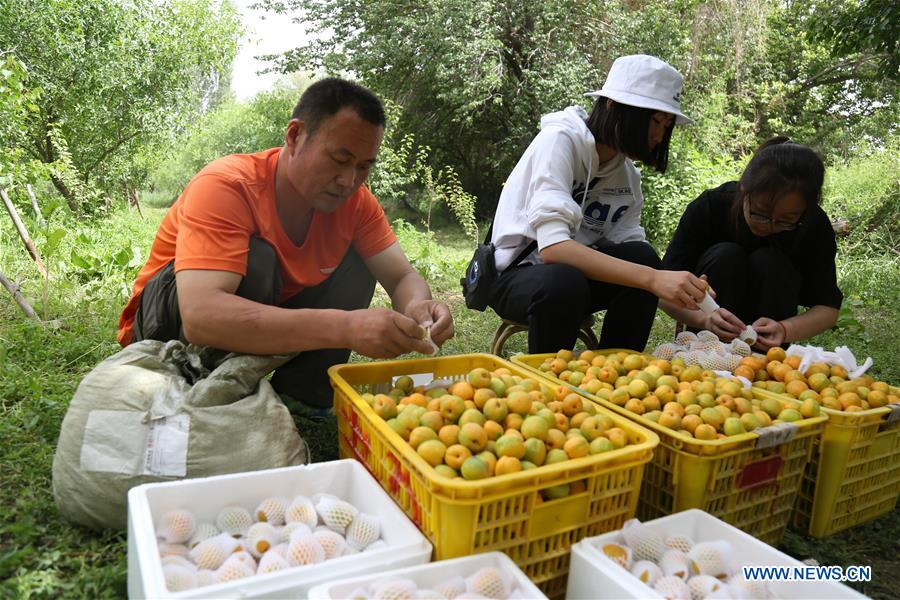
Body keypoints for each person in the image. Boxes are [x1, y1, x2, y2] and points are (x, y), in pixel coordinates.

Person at [117, 77, 454, 412]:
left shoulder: (356, 203)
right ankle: (213, 388)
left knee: (358, 262)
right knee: (258, 259)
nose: (348, 181)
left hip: (253, 310)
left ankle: (302, 396)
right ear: (295, 136)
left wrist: (416, 308)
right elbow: (202, 317)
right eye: (339, 159)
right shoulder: (227, 185)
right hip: (164, 328)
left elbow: (400, 277)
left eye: (363, 167)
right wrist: (347, 327)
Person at [486, 54, 707, 353]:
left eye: (667, 125)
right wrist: (653, 278)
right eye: (655, 121)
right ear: (614, 107)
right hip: (517, 276)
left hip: (573, 279)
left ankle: (617, 372)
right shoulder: (559, 140)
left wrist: (705, 310)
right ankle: (551, 384)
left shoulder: (626, 175)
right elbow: (553, 248)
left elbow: (636, 261)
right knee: (564, 279)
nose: (658, 135)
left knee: (642, 257)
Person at [661, 137, 841, 351]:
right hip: (707, 344)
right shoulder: (711, 207)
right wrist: (704, 319)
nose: (768, 226)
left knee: (771, 262)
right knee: (726, 254)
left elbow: (828, 308)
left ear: (804, 212)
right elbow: (664, 293)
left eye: (785, 221)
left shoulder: (813, 226)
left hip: (769, 349)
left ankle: (764, 359)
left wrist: (785, 329)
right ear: (744, 190)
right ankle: (707, 349)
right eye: (760, 214)